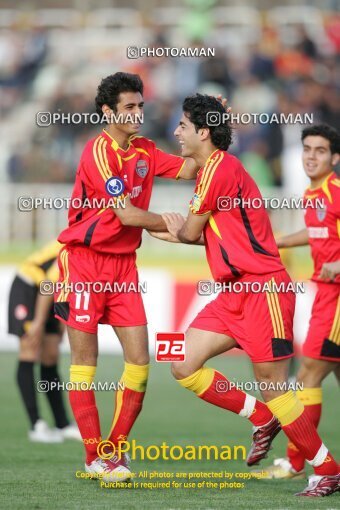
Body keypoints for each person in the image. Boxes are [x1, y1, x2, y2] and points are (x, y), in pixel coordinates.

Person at [150, 97, 339, 497]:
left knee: (278, 385)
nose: (176, 132)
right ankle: (260, 417)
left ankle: (326, 468)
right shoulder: (212, 172)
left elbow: (187, 232)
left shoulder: (220, 169)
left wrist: (147, 221)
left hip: (264, 289)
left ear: (203, 132)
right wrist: (157, 227)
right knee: (182, 364)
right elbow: (199, 234)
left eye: (183, 125)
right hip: (232, 293)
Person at [54, 72, 205, 482]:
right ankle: (93, 457)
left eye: (141, 106)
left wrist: (212, 128)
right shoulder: (97, 152)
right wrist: (172, 224)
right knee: (84, 363)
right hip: (83, 265)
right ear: (108, 111)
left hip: (123, 269)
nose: (139, 113)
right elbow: (126, 215)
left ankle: (114, 451)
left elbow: (193, 168)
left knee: (140, 362)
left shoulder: (146, 150)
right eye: (130, 107)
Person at [257, 124, 340, 481]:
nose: (311, 156)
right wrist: (278, 242)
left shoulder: (337, 191)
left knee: (307, 374)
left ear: (334, 158)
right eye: (307, 149)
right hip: (324, 293)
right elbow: (317, 232)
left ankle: (298, 461)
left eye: (320, 150)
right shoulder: (311, 195)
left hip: (338, 297)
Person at [8, 240, 80, 443]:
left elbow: (69, 289)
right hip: (28, 288)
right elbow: (48, 286)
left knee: (50, 355)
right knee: (30, 349)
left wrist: (64, 324)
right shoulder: (73, 250)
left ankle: (62, 424)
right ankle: (36, 425)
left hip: (50, 295)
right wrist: (38, 323)